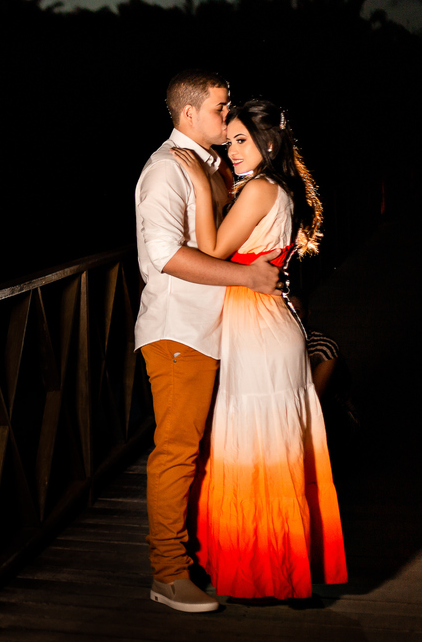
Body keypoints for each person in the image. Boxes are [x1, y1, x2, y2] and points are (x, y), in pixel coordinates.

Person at [172, 98, 348, 600]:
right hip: (267, 322)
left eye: (241, 141)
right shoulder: (271, 188)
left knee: (258, 446)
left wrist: (204, 190)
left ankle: (266, 571)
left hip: (259, 326)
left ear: (268, 143)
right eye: (228, 143)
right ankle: (271, 567)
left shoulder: (262, 189)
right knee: (266, 447)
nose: (231, 151)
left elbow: (209, 253)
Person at [134, 71, 285, 613]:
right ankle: (167, 574)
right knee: (176, 453)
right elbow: (166, 256)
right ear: (189, 115)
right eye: (221, 108)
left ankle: (196, 557)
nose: (229, 116)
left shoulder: (214, 166)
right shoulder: (165, 170)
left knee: (200, 453)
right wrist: (247, 278)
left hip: (218, 332)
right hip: (180, 331)